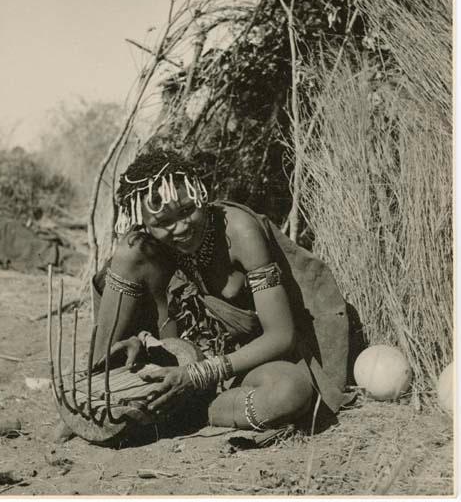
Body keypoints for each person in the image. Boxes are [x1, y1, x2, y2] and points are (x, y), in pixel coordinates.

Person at [88, 147, 351, 433]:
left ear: (202, 195)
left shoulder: (239, 231)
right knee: (128, 253)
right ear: (145, 224)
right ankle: (162, 403)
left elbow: (281, 336)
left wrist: (200, 374)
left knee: (290, 391)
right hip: (169, 364)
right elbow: (100, 359)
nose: (180, 228)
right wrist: (136, 340)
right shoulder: (140, 252)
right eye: (162, 223)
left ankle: (195, 413)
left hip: (240, 366)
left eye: (188, 210)